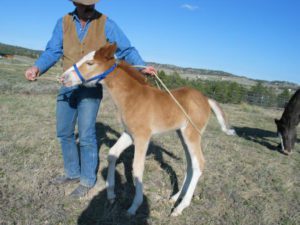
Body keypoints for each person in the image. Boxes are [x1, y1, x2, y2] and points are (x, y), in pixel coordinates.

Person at [24, 0, 156, 198]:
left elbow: (126, 50)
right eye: (85, 5)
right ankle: (72, 173)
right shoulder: (63, 22)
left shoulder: (107, 23)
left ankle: (87, 180)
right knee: (64, 132)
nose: (89, 8)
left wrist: (142, 66)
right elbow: (53, 50)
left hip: (91, 88)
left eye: (91, 4)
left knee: (86, 135)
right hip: (68, 84)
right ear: (76, 4)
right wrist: (37, 67)